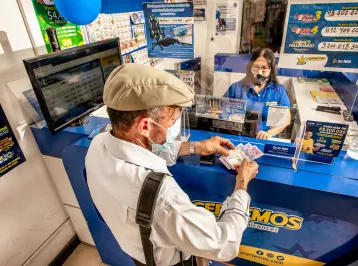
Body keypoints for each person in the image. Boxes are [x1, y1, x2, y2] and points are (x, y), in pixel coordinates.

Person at [86, 64, 259, 265]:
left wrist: (195, 147)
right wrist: (241, 186)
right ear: (145, 126)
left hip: (139, 254)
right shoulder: (161, 195)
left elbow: (142, 151)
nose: (174, 125)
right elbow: (223, 244)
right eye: (173, 120)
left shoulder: (98, 145)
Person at [223, 48, 291, 140]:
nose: (259, 72)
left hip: (267, 138)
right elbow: (222, 113)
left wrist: (269, 133)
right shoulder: (235, 88)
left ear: (272, 70)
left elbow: (286, 119)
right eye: (256, 67)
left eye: (264, 68)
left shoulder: (279, 91)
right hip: (238, 137)